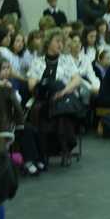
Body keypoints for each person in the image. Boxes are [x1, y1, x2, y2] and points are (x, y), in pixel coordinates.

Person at [27, 28, 81, 166]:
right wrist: (42, 88)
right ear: (48, 43)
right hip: (43, 96)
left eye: (62, 42)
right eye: (57, 41)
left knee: (61, 111)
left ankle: (65, 148)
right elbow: (31, 85)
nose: (60, 45)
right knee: (38, 109)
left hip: (64, 95)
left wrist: (62, 92)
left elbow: (76, 81)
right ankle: (43, 150)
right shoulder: (37, 62)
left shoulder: (67, 60)